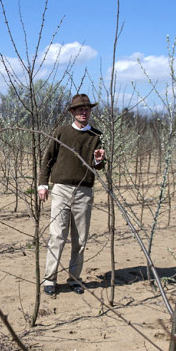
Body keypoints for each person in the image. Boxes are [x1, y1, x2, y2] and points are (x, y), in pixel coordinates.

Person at [38, 93, 105, 296]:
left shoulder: (96, 136)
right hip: (61, 189)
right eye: (80, 109)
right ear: (73, 112)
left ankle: (75, 278)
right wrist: (43, 184)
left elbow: (99, 166)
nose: (84, 112)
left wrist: (99, 160)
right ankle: (49, 279)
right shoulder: (61, 132)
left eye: (87, 109)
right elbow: (48, 159)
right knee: (57, 235)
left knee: (80, 239)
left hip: (84, 192)